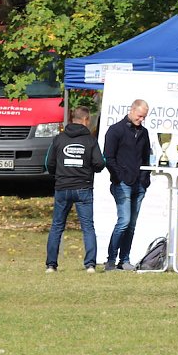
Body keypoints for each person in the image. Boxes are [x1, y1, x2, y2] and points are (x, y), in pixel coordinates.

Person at [44, 106, 106, 273]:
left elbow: (48, 163)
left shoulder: (59, 139)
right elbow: (100, 163)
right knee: (88, 227)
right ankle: (90, 265)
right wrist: (89, 168)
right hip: (83, 188)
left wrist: (58, 175)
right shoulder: (91, 140)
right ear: (86, 120)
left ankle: (51, 265)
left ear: (72, 119)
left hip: (62, 187)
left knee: (57, 226)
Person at [104, 99, 151, 271]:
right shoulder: (115, 130)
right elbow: (108, 158)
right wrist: (119, 177)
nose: (141, 120)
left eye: (144, 117)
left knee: (131, 224)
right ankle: (110, 259)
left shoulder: (144, 133)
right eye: (139, 116)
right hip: (122, 182)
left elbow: (146, 157)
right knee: (123, 221)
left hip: (139, 183)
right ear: (131, 110)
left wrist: (146, 178)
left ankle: (124, 259)